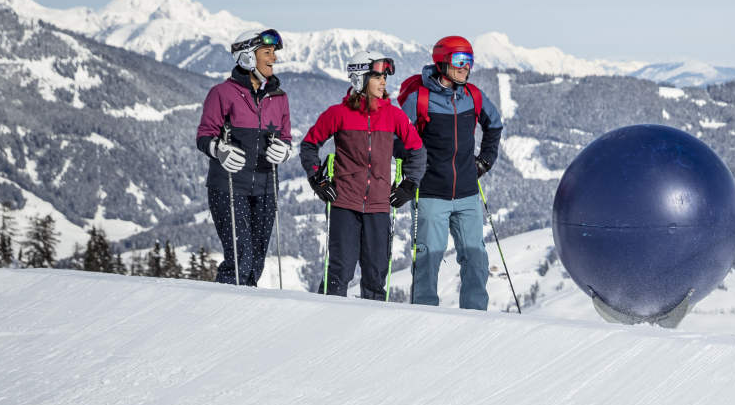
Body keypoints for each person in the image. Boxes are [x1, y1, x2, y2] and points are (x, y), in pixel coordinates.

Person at [301, 53, 427, 300]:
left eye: (385, 77)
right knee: (340, 271)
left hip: (379, 206)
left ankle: (372, 332)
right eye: (377, 76)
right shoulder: (337, 114)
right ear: (360, 79)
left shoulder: (394, 115)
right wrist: (317, 179)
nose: (384, 82)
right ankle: (321, 321)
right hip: (344, 203)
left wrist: (410, 184)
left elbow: (417, 151)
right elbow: (308, 145)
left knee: (375, 274)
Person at [398, 35, 504, 309]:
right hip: (431, 193)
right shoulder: (419, 100)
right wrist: (418, 165)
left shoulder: (473, 96)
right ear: (442, 61)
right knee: (427, 261)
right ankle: (423, 316)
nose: (465, 67)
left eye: (469, 61)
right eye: (459, 60)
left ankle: (475, 317)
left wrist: (485, 161)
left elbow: (494, 125)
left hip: (468, 194)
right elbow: (397, 141)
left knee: (476, 260)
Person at [195, 28, 294, 285]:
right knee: (241, 258)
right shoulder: (222, 93)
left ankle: (244, 315)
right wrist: (219, 149)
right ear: (248, 57)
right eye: (267, 52)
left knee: (257, 261)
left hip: (265, 187)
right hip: (229, 186)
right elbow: (204, 136)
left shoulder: (279, 97)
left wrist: (284, 151)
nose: (273, 58)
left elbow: (286, 138)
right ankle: (225, 310)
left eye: (274, 52)